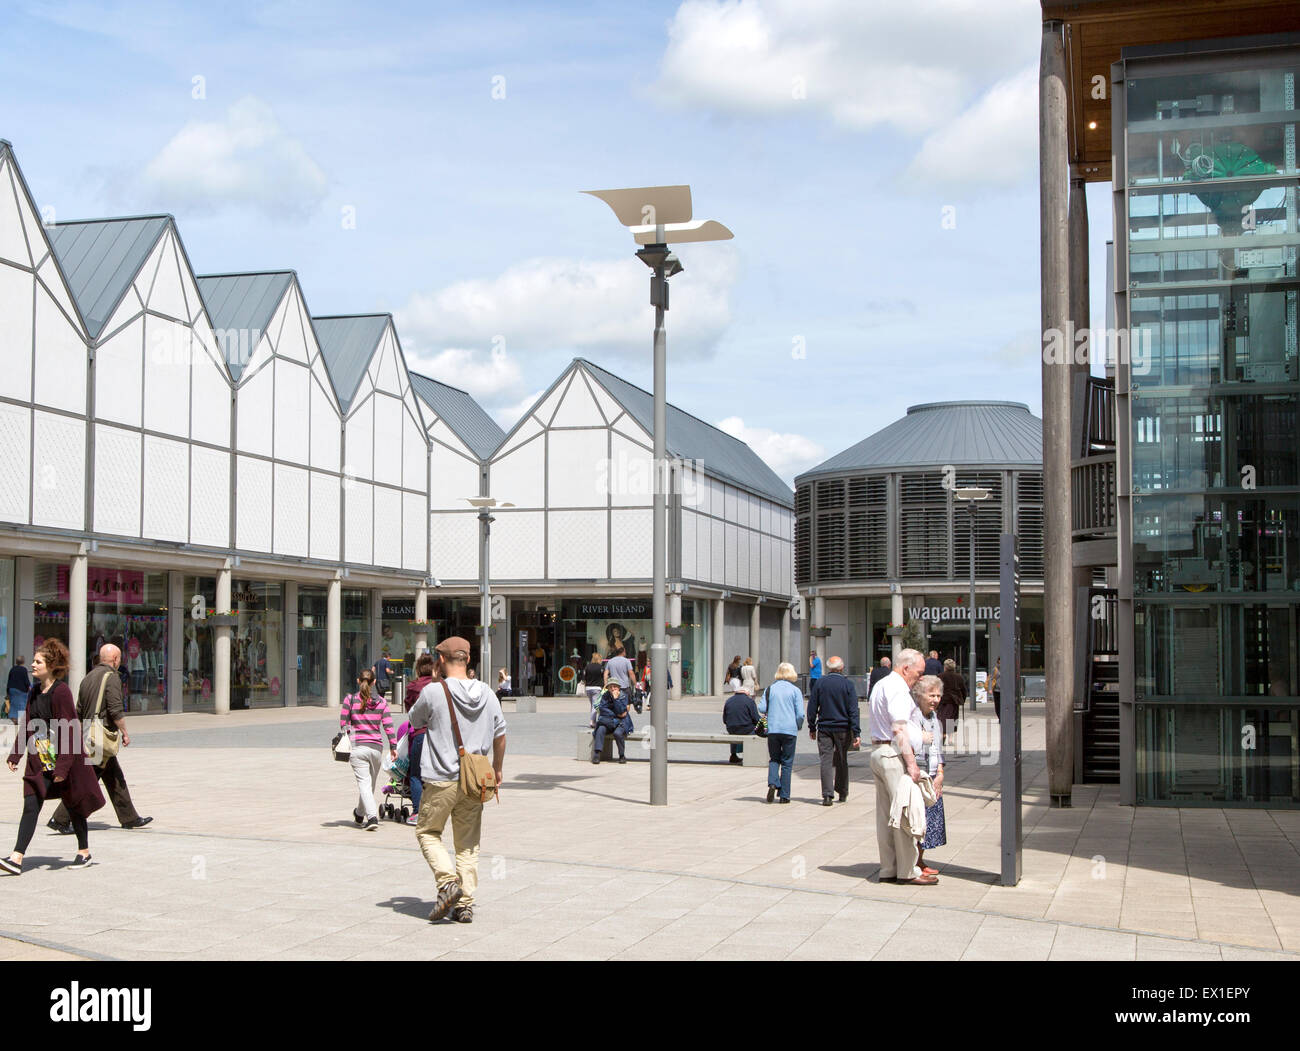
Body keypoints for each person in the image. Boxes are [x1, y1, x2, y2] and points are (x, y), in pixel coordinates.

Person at [408, 636, 507, 924]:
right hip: (475, 779)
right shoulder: (487, 693)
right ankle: (464, 905)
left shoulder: (433, 691)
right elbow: (501, 734)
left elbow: (414, 721)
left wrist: (434, 682)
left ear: (440, 660)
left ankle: (448, 882)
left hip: (441, 778)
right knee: (467, 844)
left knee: (427, 832)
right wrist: (497, 769)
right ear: (468, 659)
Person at [2, 640, 105, 874]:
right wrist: (16, 754)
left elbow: (70, 731)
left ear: (51, 665)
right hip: (40, 760)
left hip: (64, 762)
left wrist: (63, 768)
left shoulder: (61, 692)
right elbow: (27, 724)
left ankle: (84, 852)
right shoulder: (34, 691)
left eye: (38, 661)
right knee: (31, 803)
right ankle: (17, 857)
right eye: (33, 661)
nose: (32, 664)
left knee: (74, 805)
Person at [48, 644, 152, 834]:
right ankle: (59, 819)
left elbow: (78, 710)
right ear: (115, 659)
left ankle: (129, 817)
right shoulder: (111, 677)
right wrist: (125, 732)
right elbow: (115, 708)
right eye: (119, 658)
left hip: (91, 735)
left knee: (115, 777)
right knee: (86, 780)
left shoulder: (88, 677)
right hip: (101, 737)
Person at [867, 649, 934, 885]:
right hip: (893, 754)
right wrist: (912, 763)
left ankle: (889, 868)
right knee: (904, 812)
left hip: (879, 752)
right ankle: (907, 870)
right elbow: (899, 728)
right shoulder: (897, 688)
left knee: (886, 815)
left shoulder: (882, 684)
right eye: (919, 673)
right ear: (906, 668)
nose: (920, 678)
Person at [340, 669, 397, 831]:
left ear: (358, 681)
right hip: (376, 748)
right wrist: (393, 746)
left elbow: (343, 725)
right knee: (368, 784)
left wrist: (352, 733)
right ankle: (359, 814)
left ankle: (372, 817)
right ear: (374, 682)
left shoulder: (350, 700)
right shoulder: (382, 702)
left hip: (358, 747)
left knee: (365, 784)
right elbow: (388, 726)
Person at [806, 655, 860, 806]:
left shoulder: (820, 683)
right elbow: (853, 710)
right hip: (843, 727)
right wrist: (856, 732)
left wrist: (812, 726)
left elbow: (812, 707)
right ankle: (842, 791)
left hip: (824, 727)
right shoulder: (847, 684)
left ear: (828, 667)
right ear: (842, 667)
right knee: (842, 759)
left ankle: (827, 795)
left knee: (826, 760)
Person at [910, 675, 946, 876]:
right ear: (920, 695)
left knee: (930, 821)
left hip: (932, 774)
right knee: (917, 820)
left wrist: (940, 773)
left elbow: (938, 748)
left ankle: (920, 860)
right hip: (918, 773)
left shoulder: (934, 718)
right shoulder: (913, 716)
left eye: (938, 696)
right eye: (931, 695)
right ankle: (913, 862)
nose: (935, 700)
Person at [758, 663, 804, 803]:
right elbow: (800, 714)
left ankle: (773, 783)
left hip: (773, 729)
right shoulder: (795, 690)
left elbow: (762, 707)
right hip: (789, 730)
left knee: (774, 758)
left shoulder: (770, 689)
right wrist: (798, 725)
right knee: (787, 762)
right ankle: (784, 795)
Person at [400, 652, 437, 822]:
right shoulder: (440, 685)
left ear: (418, 669)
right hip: (439, 735)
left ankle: (417, 812)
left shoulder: (414, 686)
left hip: (420, 734)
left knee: (416, 774)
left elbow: (410, 710)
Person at [591, 681, 632, 764]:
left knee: (618, 733)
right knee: (600, 729)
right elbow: (602, 709)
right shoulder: (605, 696)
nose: (613, 689)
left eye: (615, 686)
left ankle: (622, 755)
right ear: (608, 688)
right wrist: (616, 714)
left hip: (621, 722)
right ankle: (597, 754)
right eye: (610, 687)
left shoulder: (623, 696)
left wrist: (616, 699)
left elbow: (622, 711)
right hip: (608, 721)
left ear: (619, 687)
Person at [722, 685, 760, 764]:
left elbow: (725, 720)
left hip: (731, 729)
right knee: (759, 730)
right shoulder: (749, 701)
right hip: (746, 729)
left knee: (734, 730)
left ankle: (733, 755)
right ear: (747, 693)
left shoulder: (729, 700)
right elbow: (756, 719)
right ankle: (751, 755)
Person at [938, 658, 966, 746]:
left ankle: (943, 734)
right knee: (952, 719)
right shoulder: (959, 677)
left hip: (943, 700)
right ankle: (950, 739)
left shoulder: (940, 676)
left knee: (943, 718)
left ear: (945, 667)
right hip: (954, 701)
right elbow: (963, 690)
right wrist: (962, 700)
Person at [582, 650, 604, 727]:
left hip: (588, 688)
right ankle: (592, 721)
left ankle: (593, 721)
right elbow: (603, 677)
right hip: (597, 688)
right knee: (596, 705)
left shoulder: (587, 667)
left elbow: (584, 678)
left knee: (593, 704)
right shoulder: (600, 667)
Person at [6, 656, 30, 722]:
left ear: (16, 662)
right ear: (23, 662)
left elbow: (9, 680)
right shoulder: (24, 669)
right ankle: (20, 720)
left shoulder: (12, 669)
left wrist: (8, 691)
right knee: (22, 705)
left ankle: (13, 719)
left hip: (12, 690)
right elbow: (26, 681)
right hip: (21, 690)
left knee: (13, 705)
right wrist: (29, 687)